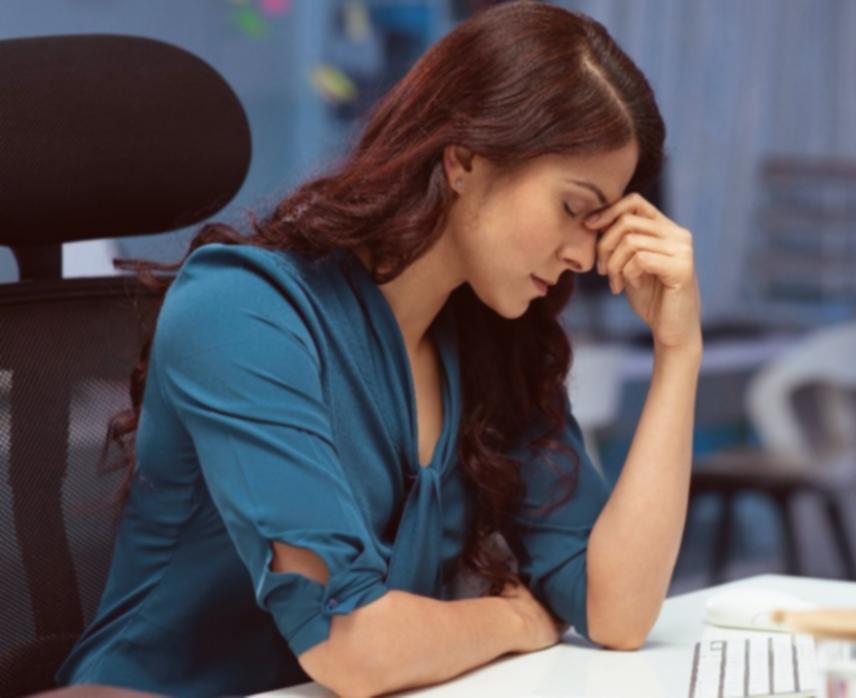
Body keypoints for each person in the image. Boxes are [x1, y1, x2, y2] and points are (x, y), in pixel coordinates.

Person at [55, 2, 700, 696]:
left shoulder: (489, 338)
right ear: (465, 162)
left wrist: (678, 352)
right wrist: (513, 621)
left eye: (598, 225)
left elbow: (618, 612)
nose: (583, 255)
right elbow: (353, 647)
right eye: (574, 208)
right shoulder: (243, 310)